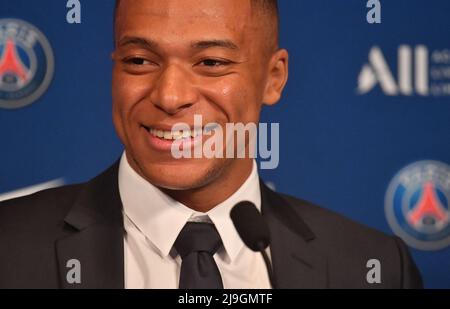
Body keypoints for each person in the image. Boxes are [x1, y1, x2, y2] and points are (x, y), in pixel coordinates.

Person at [0, 0, 422, 289]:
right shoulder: (9, 246)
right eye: (140, 61)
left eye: (212, 63)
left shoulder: (373, 266)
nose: (169, 96)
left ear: (273, 77)